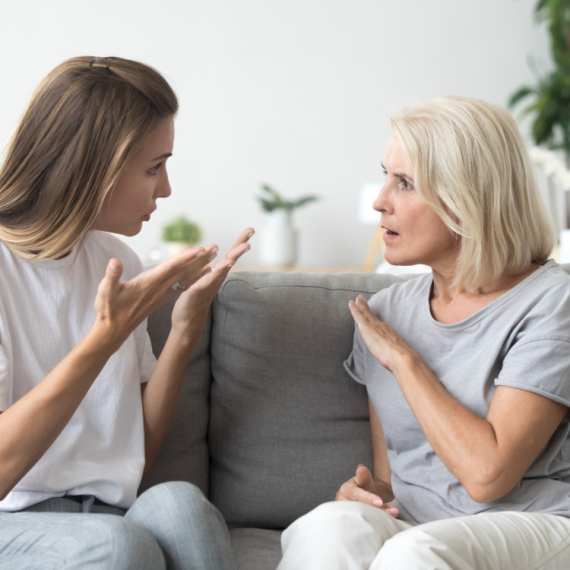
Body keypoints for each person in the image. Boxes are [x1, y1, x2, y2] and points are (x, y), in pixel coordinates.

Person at [277, 96, 570, 569]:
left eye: (405, 183)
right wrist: (370, 495)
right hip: (419, 524)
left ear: (466, 200)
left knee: (414, 553)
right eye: (386, 176)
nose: (380, 200)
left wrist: (406, 362)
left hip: (538, 523)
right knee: (329, 524)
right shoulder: (386, 313)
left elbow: (486, 476)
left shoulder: (552, 302)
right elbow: (395, 474)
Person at [0, 56, 253, 569]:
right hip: (15, 518)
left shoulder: (115, 262)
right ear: (91, 167)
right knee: (119, 546)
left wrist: (184, 329)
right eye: (154, 167)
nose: (166, 188)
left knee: (181, 504)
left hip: (108, 511)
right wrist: (102, 339)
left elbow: (136, 452)